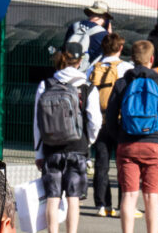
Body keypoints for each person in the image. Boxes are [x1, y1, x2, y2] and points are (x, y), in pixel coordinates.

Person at [108, 39, 158, 233]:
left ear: (132, 58)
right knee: (152, 197)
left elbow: (110, 118)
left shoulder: (122, 83)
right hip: (155, 144)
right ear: (151, 59)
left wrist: (120, 137)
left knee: (129, 195)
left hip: (127, 144)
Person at [37, 46, 96, 233]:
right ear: (80, 61)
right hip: (78, 147)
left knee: (52, 198)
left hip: (51, 148)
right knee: (73, 198)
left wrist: (38, 153)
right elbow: (95, 120)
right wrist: (88, 141)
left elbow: (37, 122)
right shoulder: (87, 87)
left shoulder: (46, 85)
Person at [87, 35, 127, 217]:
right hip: (119, 121)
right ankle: (123, 204)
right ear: (120, 48)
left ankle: (102, 204)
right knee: (123, 164)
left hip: (99, 121)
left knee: (101, 164)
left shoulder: (92, 69)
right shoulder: (126, 68)